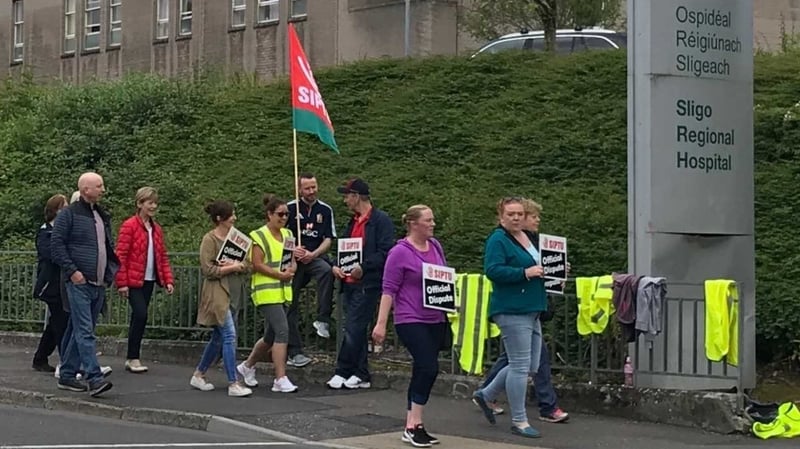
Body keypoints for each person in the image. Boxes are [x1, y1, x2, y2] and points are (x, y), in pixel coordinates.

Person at [474, 199, 569, 424]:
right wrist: (525, 273)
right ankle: (520, 421)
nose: (516, 218)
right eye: (511, 214)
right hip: (512, 308)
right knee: (519, 366)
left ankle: (486, 394)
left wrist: (557, 271)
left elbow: (539, 269)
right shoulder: (498, 239)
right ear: (501, 217)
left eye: (519, 214)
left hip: (532, 308)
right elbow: (493, 270)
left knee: (531, 365)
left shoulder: (528, 238)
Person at [372, 205, 447, 448]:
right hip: (410, 317)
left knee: (422, 369)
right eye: (428, 220)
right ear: (413, 224)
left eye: (433, 219)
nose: (433, 224)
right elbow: (389, 289)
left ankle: (413, 424)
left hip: (435, 316)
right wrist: (381, 323)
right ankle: (414, 424)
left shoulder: (435, 246)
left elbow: (442, 277)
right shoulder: (399, 252)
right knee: (428, 366)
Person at [51, 172, 117, 397]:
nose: (103, 190)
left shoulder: (100, 215)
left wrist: (109, 273)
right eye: (99, 186)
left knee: (76, 329)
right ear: (85, 189)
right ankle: (94, 378)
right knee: (84, 331)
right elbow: (56, 245)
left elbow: (107, 246)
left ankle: (67, 374)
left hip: (97, 282)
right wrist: (73, 271)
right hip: (79, 282)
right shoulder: (69, 214)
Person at [326, 178, 394, 390]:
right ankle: (361, 373)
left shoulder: (381, 221)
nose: (345, 200)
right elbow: (343, 248)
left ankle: (343, 369)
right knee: (357, 328)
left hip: (367, 283)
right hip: (349, 282)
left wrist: (363, 267)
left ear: (356, 196)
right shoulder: (353, 222)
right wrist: (336, 265)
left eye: (347, 196)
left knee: (353, 326)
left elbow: (386, 252)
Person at [237, 195, 299, 393]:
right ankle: (280, 378)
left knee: (270, 336)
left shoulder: (288, 234)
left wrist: (292, 269)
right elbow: (257, 264)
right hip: (266, 292)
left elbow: (291, 259)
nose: (284, 218)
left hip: (283, 291)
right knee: (282, 331)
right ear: (269, 215)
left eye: (287, 214)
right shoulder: (258, 236)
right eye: (280, 214)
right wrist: (280, 275)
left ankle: (247, 366)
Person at [190, 200, 252, 397]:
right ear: (219, 218)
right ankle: (233, 382)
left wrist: (238, 265)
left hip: (234, 294)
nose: (234, 218)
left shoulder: (237, 238)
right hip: (218, 294)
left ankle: (199, 374)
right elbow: (208, 270)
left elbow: (248, 263)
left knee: (218, 338)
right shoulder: (209, 240)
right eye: (231, 215)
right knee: (229, 336)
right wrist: (231, 267)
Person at [115, 187, 175, 374]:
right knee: (141, 314)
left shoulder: (156, 229)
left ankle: (132, 357)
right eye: (150, 202)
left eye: (155, 203)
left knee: (138, 318)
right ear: (140, 204)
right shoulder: (129, 225)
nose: (153, 206)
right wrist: (122, 283)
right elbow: (121, 255)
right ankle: (133, 357)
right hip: (133, 280)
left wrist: (168, 279)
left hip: (149, 279)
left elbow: (162, 256)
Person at [285, 172, 336, 367]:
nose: (311, 191)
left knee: (326, 271)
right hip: (294, 260)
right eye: (307, 188)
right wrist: (293, 249)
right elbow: (280, 234)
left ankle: (323, 318)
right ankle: (294, 351)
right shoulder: (289, 208)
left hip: (314, 256)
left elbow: (328, 239)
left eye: (314, 187)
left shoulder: (325, 209)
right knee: (290, 303)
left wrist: (313, 254)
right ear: (299, 190)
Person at [32, 194, 70, 373]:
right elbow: (50, 255)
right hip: (50, 284)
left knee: (56, 322)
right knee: (60, 321)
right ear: (56, 210)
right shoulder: (45, 232)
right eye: (64, 207)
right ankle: (66, 361)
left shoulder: (62, 231)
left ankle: (40, 358)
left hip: (61, 283)